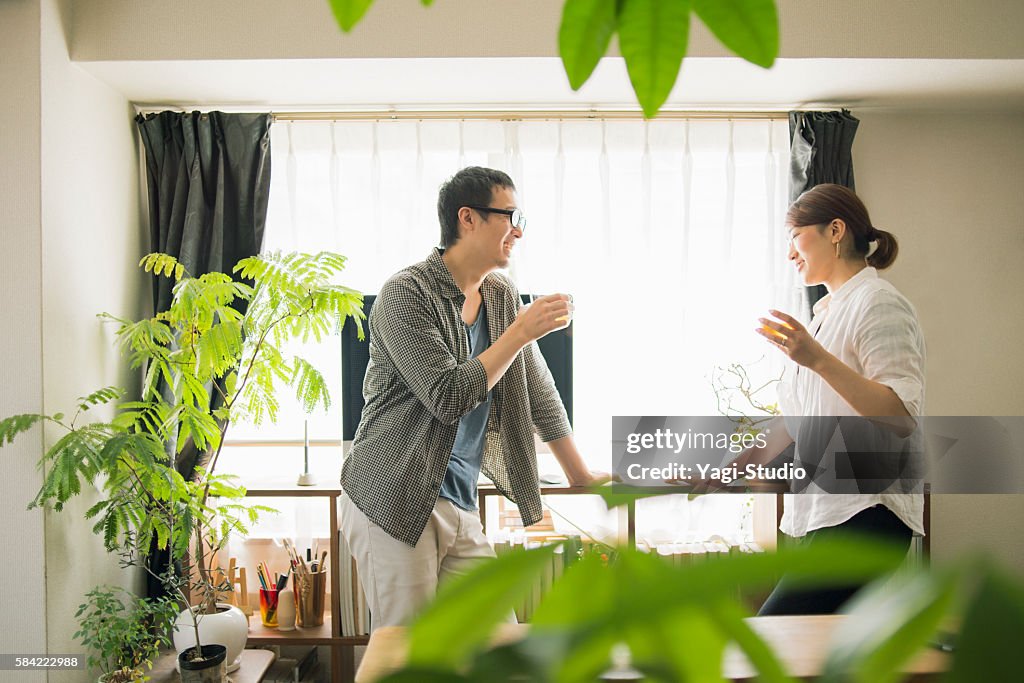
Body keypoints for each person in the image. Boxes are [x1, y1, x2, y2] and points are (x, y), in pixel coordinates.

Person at [339, 166, 604, 629]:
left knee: (497, 642)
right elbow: (446, 395)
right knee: (405, 656)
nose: (518, 230)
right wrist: (520, 332)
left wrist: (579, 474)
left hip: (458, 502)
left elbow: (538, 392)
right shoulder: (405, 293)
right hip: (393, 496)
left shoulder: (499, 295)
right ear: (468, 218)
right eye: (510, 215)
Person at [736, 183, 926, 615]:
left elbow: (900, 416)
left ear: (835, 230)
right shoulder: (826, 315)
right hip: (829, 516)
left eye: (795, 238)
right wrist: (742, 460)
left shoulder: (879, 304)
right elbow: (807, 418)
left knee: (778, 636)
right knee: (809, 652)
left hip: (867, 516)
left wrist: (818, 360)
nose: (790, 255)